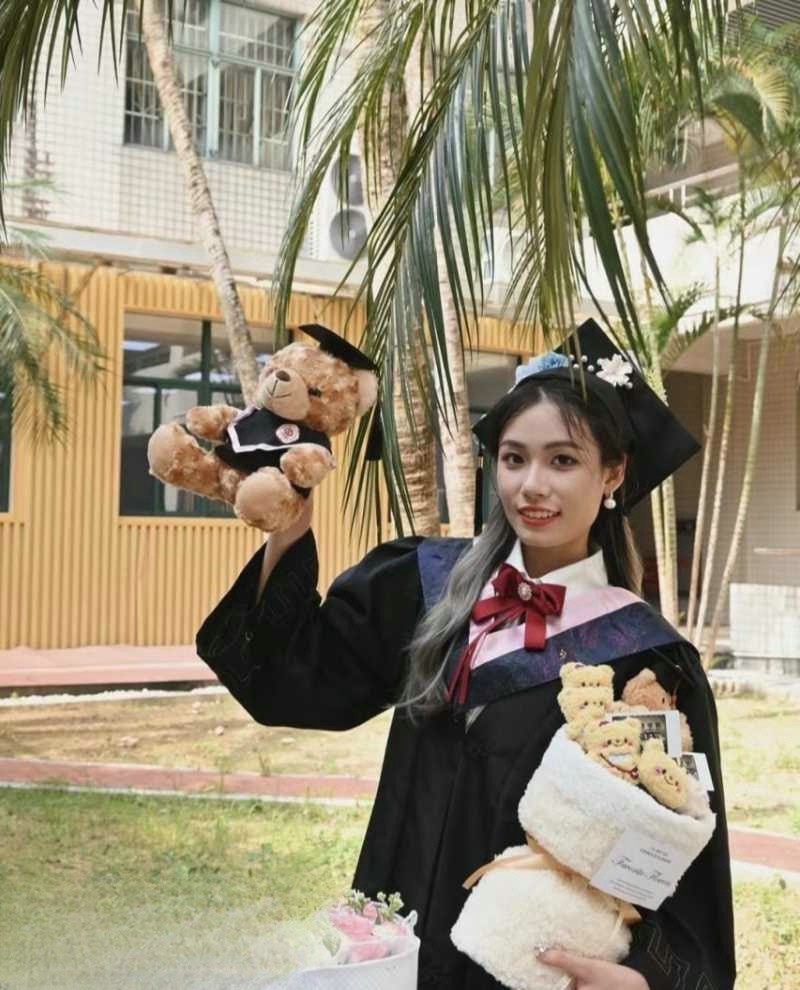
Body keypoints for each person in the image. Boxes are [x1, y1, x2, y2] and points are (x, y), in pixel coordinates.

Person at [196, 319, 736, 990]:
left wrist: (646, 979)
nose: (531, 485)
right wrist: (289, 530)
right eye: (514, 458)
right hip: (396, 946)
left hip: (525, 968)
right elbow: (294, 680)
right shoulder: (427, 584)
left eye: (563, 461)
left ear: (613, 473)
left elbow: (674, 839)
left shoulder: (644, 657)